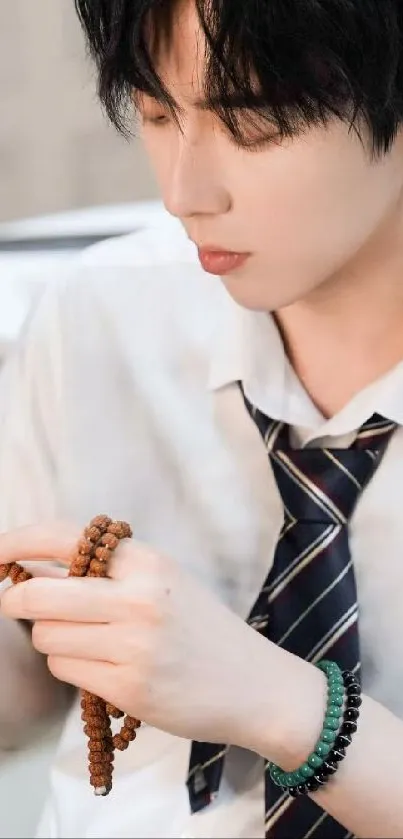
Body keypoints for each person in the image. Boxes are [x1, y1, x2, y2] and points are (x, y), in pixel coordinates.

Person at [1, 0, 403, 835]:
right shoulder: (101, 313)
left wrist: (290, 709)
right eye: (155, 113)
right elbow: (23, 697)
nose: (184, 193)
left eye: (252, 121)